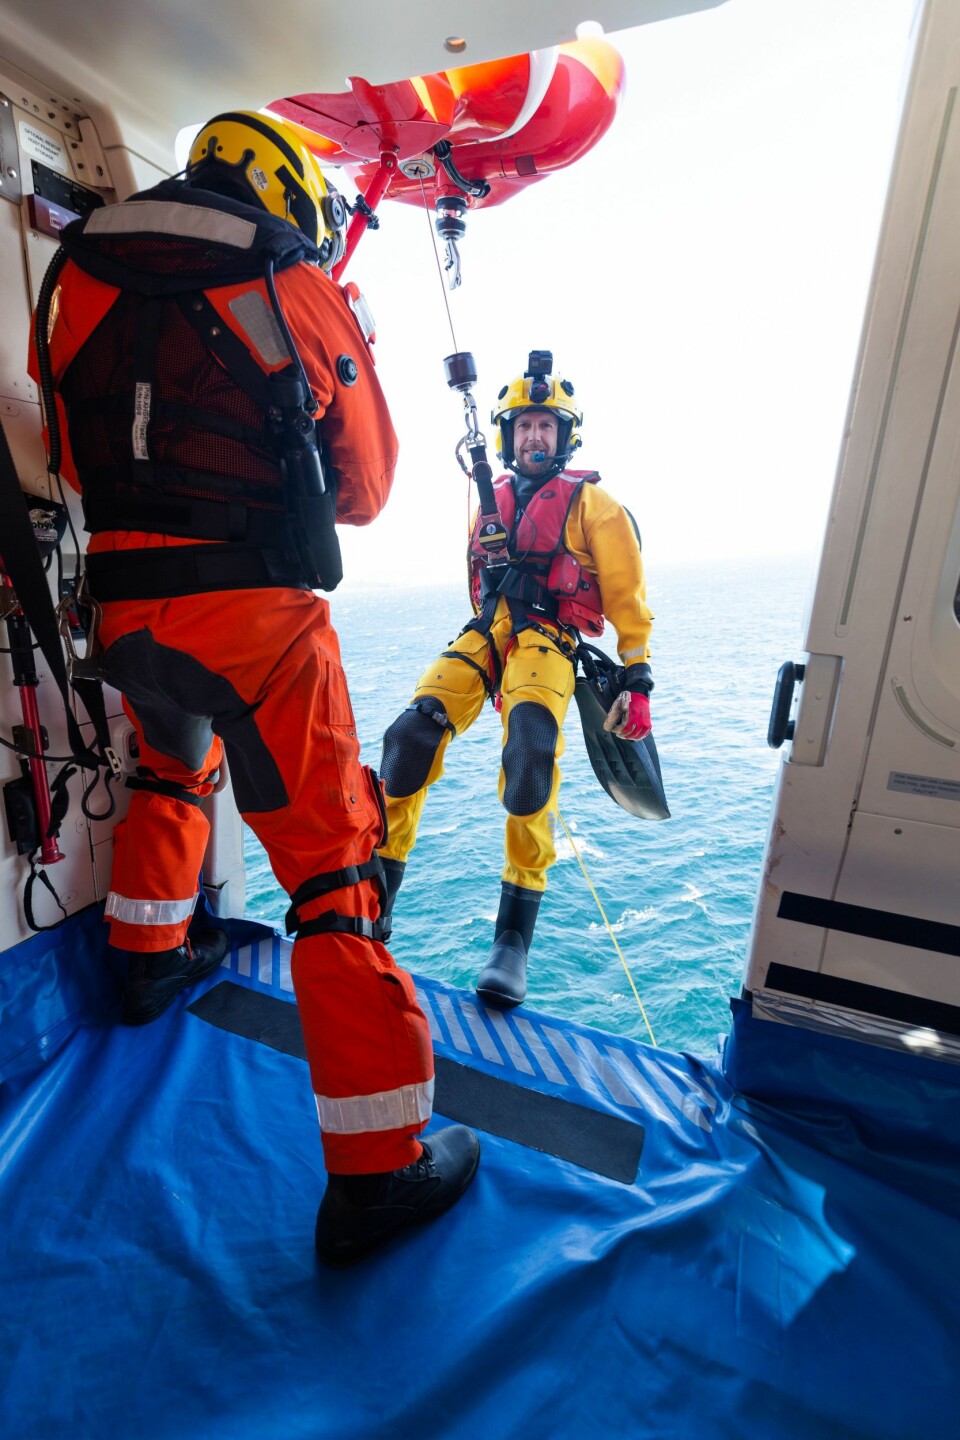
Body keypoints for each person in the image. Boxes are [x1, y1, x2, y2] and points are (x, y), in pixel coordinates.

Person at [29, 110, 478, 1267]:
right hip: (259, 623)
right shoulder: (287, 275)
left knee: (176, 765)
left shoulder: (72, 268)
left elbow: (72, 456)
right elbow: (367, 486)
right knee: (333, 875)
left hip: (118, 614)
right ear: (284, 189)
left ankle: (143, 963)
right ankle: (378, 1172)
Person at [377, 351, 654, 1008]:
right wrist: (488, 648)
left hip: (549, 642)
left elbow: (626, 596)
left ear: (564, 438)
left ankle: (512, 942)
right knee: (408, 739)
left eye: (546, 428)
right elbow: (476, 581)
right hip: (491, 632)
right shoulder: (490, 502)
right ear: (508, 436)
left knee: (530, 752)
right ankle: (373, 897)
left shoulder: (597, 508)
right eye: (524, 426)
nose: (534, 437)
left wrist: (637, 678)